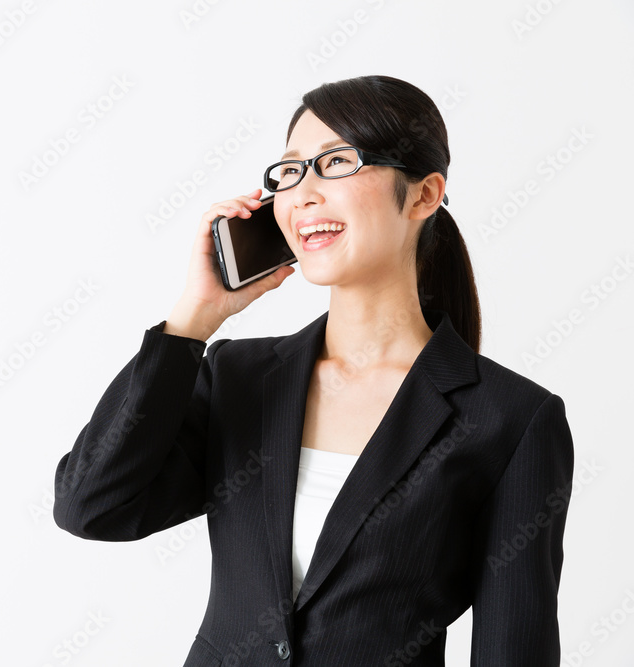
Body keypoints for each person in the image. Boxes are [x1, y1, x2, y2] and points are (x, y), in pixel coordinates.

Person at [52, 74, 574, 666]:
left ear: (425, 195)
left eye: (336, 163)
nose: (302, 193)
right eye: (290, 171)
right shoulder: (239, 378)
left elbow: (515, 651)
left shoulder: (511, 419)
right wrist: (192, 322)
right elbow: (90, 507)